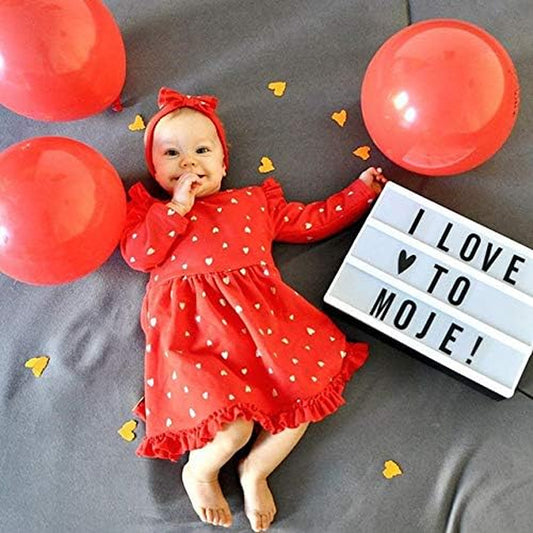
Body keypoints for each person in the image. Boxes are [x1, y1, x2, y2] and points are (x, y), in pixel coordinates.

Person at [121, 87, 388, 532]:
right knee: (233, 430)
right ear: (154, 169)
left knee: (302, 400)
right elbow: (137, 255)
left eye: (202, 151)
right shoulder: (153, 214)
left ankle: (256, 471)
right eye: (171, 154)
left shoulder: (251, 203)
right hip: (195, 343)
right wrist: (177, 209)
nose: (188, 163)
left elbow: (310, 221)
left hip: (265, 333)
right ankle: (199, 472)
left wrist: (360, 193)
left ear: (224, 163)